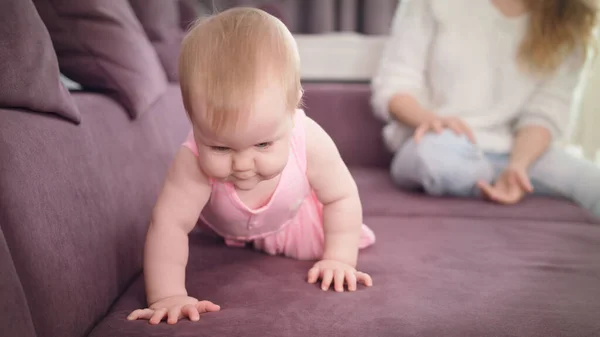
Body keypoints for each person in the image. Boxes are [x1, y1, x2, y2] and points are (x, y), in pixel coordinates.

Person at [127, 8, 376, 325]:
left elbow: (341, 196)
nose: (242, 165)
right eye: (219, 146)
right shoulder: (190, 161)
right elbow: (169, 225)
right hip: (225, 225)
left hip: (291, 219)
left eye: (263, 144)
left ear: (293, 107)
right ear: (193, 120)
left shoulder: (308, 138)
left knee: (335, 238)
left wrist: (339, 259)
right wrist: (167, 295)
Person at [371, 0, 600, 217]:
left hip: (518, 152)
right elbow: (395, 84)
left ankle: (495, 179)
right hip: (439, 142)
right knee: (436, 162)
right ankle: (485, 179)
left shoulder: (569, 19)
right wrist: (428, 119)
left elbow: (544, 114)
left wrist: (518, 166)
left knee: (593, 184)